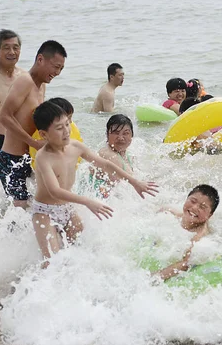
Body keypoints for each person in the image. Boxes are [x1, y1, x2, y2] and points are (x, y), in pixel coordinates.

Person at [32, 101, 158, 266]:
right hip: (44, 212)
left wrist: (134, 182)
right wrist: (87, 201)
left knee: (81, 251)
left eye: (67, 124)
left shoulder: (75, 146)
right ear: (43, 134)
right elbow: (55, 191)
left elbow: (105, 164)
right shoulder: (43, 157)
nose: (66, 131)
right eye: (59, 128)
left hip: (67, 208)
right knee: (52, 263)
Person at [0, 40, 67, 209]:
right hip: (11, 159)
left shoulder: (41, 86)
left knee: (44, 204)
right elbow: (4, 116)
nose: (57, 73)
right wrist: (33, 142)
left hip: (31, 159)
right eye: (55, 67)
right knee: (21, 208)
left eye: (61, 69)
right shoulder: (24, 81)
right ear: (40, 59)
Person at [155, 185, 220, 281]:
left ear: (210, 215)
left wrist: (157, 276)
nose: (194, 208)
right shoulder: (172, 213)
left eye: (202, 207)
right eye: (193, 201)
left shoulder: (198, 236)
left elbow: (185, 263)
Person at [90, 114, 135, 198]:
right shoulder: (107, 155)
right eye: (116, 133)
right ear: (107, 135)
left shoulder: (127, 154)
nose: (121, 138)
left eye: (126, 133)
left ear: (132, 135)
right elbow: (122, 191)